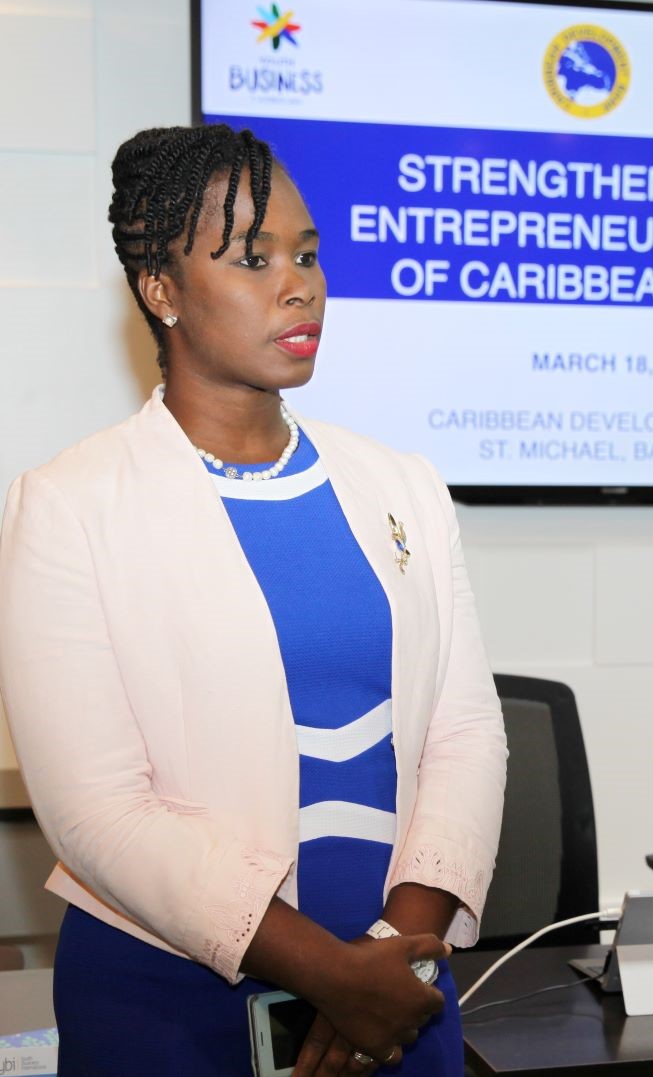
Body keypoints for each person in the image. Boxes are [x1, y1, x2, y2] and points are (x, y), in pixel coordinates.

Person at [0, 125, 507, 1076]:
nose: (299, 283)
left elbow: (465, 732)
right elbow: (98, 813)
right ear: (162, 292)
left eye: (307, 254)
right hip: (171, 1009)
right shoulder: (69, 505)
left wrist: (395, 959)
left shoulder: (401, 485)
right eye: (254, 258)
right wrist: (330, 976)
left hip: (403, 994)